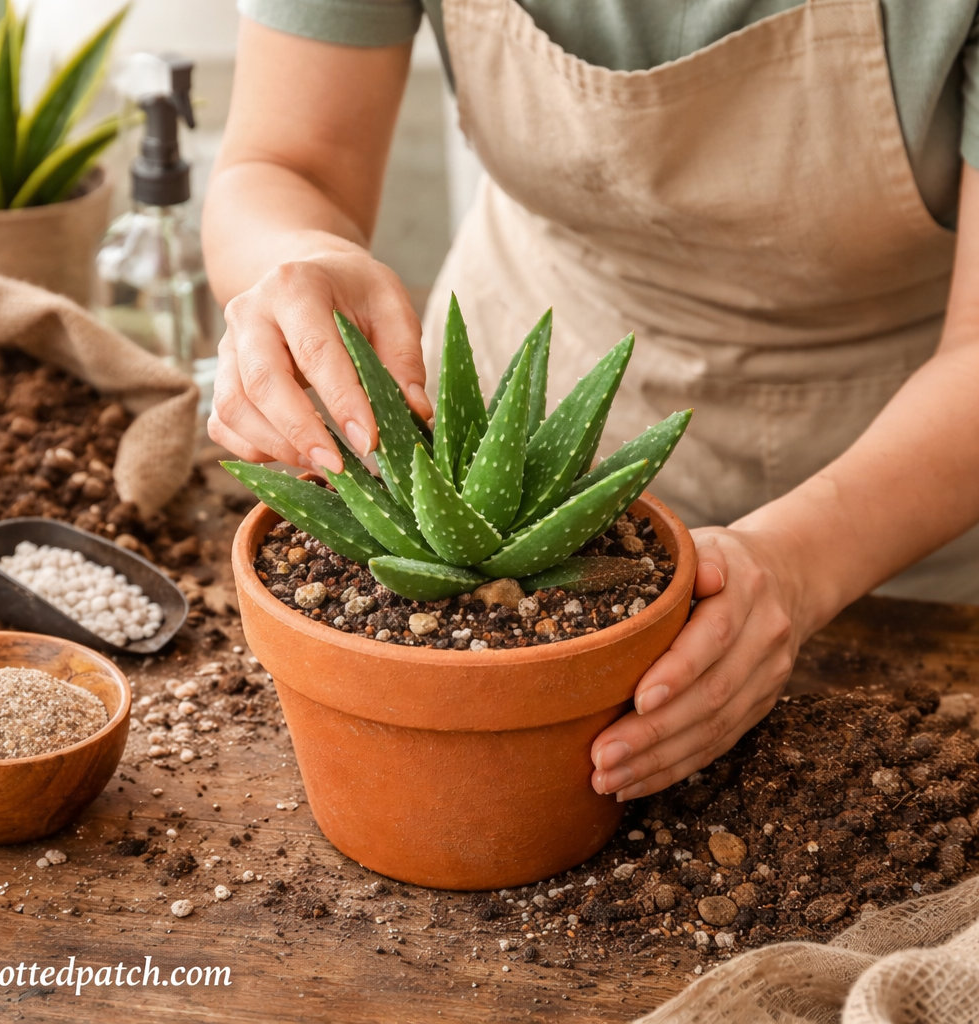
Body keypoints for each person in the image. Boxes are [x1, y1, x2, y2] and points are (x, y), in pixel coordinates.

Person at [203, 0, 979, 805]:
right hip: (534, 355)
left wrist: (800, 565)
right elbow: (283, 166)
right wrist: (301, 260)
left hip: (898, 470)